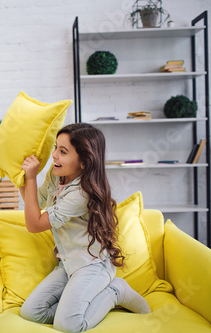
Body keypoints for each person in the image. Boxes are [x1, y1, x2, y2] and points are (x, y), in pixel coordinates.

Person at [18, 123, 150, 333]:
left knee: (68, 325)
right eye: (55, 148)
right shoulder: (56, 176)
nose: (54, 156)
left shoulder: (81, 193)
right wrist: (21, 177)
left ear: (83, 162)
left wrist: (32, 177)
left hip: (91, 266)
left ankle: (117, 291)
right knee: (31, 312)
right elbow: (35, 202)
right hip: (68, 265)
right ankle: (72, 306)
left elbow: (34, 224)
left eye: (63, 151)